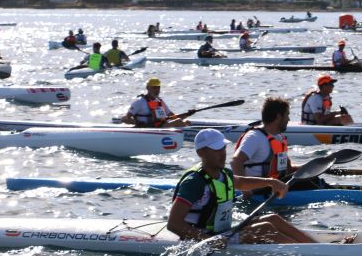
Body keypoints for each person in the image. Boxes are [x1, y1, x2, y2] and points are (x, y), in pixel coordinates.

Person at [168, 128, 315, 244]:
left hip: (222, 233)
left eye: (223, 148)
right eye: (216, 149)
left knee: (273, 219)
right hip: (203, 239)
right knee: (265, 229)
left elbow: (240, 182)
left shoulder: (223, 174)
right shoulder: (194, 182)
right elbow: (173, 224)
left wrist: (271, 182)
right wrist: (208, 241)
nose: (222, 154)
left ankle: (315, 246)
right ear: (201, 152)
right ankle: (307, 254)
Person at [122, 77, 191, 127]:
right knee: (178, 121)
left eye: (158, 87)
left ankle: (188, 130)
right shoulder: (140, 102)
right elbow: (125, 119)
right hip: (148, 128)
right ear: (148, 88)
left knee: (187, 122)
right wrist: (137, 123)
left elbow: (173, 117)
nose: (157, 90)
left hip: (161, 126)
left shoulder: (160, 101)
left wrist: (188, 114)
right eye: (154, 88)